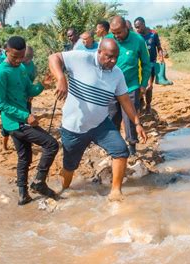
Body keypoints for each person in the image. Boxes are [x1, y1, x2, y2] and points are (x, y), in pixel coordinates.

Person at [48, 38, 147, 201]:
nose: (113, 61)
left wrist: (137, 123)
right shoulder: (81, 58)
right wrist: (60, 78)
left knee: (121, 151)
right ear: (99, 52)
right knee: (69, 167)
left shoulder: (117, 73)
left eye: (115, 57)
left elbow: (124, 100)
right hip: (74, 127)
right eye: (109, 56)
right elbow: (54, 57)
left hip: (101, 124)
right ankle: (64, 190)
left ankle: (115, 191)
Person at [0, 36, 58, 205]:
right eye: (14, 57)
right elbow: (0, 103)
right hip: (15, 123)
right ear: (6, 51)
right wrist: (25, 116)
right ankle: (38, 182)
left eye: (21, 57)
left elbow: (29, 89)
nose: (18, 60)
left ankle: (23, 194)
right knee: (51, 145)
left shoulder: (22, 67)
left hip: (23, 119)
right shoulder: (0, 72)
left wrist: (42, 85)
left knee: (24, 158)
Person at [107, 16, 151, 156]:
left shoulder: (138, 40)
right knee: (112, 118)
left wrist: (143, 84)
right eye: (114, 33)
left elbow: (146, 64)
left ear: (126, 28)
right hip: (111, 87)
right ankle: (113, 147)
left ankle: (132, 147)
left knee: (131, 119)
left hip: (130, 87)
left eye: (119, 32)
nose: (116, 36)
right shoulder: (108, 40)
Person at [134, 17, 164, 115]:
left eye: (138, 27)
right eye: (136, 27)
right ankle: (140, 101)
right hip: (139, 65)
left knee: (149, 87)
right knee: (140, 85)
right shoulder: (136, 36)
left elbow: (159, 47)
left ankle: (148, 105)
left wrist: (161, 57)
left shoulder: (153, 34)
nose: (137, 29)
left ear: (143, 24)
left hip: (151, 64)